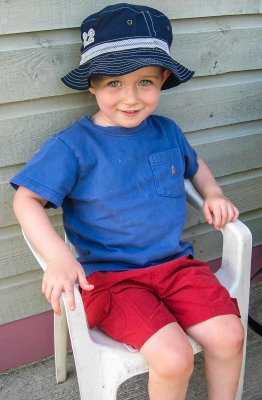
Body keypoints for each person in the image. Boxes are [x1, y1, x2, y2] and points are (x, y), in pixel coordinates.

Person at [11, 4, 244, 400]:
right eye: (114, 83)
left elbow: (194, 163)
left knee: (230, 335)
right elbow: (26, 200)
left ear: (162, 79)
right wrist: (58, 257)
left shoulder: (166, 131)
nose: (130, 97)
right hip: (112, 280)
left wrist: (213, 192)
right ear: (93, 85)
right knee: (173, 358)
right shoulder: (73, 146)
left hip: (176, 267)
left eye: (145, 82)